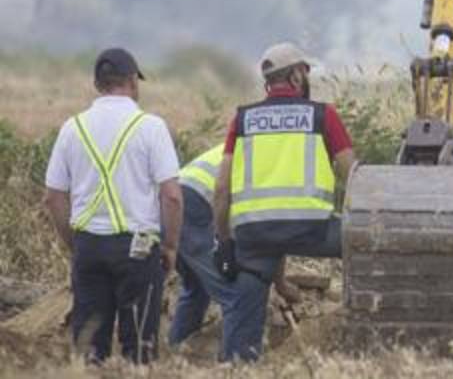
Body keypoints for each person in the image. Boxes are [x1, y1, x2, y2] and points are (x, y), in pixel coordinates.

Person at [212, 42, 356, 361]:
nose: (307, 79)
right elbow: (355, 178)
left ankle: (237, 362)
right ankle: (365, 328)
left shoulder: (243, 120)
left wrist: (225, 242)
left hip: (255, 234)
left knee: (248, 286)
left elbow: (221, 190)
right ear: (294, 77)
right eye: (305, 73)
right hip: (313, 230)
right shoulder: (323, 115)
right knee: (362, 244)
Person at [43, 47, 182, 364]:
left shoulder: (71, 128)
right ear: (133, 82)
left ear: (97, 84)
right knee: (139, 352)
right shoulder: (151, 127)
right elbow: (172, 196)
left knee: (89, 349)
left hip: (88, 246)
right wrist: (171, 246)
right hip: (139, 248)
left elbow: (53, 197)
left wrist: (74, 244)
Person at [168, 144, 300, 360]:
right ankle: (236, 366)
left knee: (196, 286)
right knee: (236, 294)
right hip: (195, 205)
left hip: (173, 200)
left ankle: (176, 356)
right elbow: (273, 235)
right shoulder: (278, 168)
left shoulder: (254, 142)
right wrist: (281, 284)